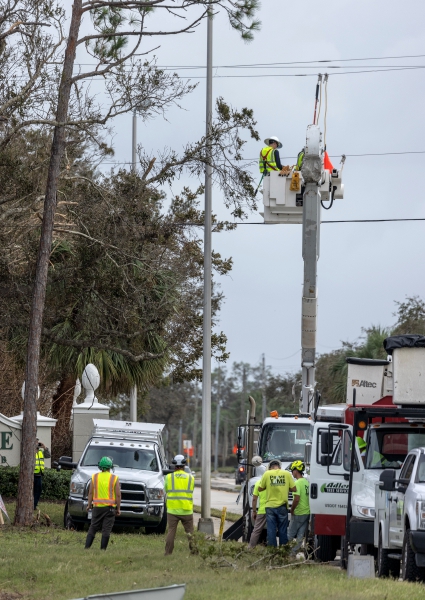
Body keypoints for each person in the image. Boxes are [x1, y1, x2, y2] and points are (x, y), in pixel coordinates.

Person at [85, 456, 121, 550]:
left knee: (93, 527)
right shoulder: (114, 478)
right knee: (106, 529)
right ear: (110, 467)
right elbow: (118, 495)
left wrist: (89, 505)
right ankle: (103, 549)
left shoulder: (95, 477)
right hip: (109, 508)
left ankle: (87, 547)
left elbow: (90, 493)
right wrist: (118, 508)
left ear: (100, 466)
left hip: (97, 507)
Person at [258, 459, 296, 547]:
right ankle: (283, 551)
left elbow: (260, 488)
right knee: (283, 529)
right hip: (283, 506)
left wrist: (269, 485)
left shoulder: (267, 474)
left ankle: (272, 551)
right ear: (279, 466)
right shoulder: (287, 474)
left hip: (270, 506)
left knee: (271, 529)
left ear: (270, 467)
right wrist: (285, 487)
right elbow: (294, 489)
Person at [164, 454, 195, 556]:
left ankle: (168, 553)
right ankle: (194, 551)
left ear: (174, 465)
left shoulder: (168, 477)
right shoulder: (191, 478)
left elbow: (167, 490)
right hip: (187, 509)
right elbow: (191, 490)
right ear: (184, 465)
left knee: (171, 531)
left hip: (172, 510)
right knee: (190, 533)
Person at [288, 461, 310, 554]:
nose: (292, 473)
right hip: (306, 512)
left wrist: (292, 510)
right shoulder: (306, 482)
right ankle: (294, 552)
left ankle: (285, 553)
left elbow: (297, 499)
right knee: (300, 535)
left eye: (292, 471)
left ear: (296, 471)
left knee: (290, 535)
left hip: (298, 512)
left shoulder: (297, 483)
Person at [249, 471, 268, 549]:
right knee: (272, 530)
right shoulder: (272, 483)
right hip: (272, 510)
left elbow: (254, 499)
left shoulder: (258, 483)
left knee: (256, 530)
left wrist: (254, 511)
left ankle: (250, 548)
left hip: (262, 510)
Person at [34, 438, 51, 510]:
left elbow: (48, 456)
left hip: (39, 474)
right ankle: (32, 505)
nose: (37, 444)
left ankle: (34, 505)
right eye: (35, 442)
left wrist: (45, 447)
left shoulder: (40, 452)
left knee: (39, 490)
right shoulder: (30, 452)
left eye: (38, 442)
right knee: (32, 491)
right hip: (32, 475)